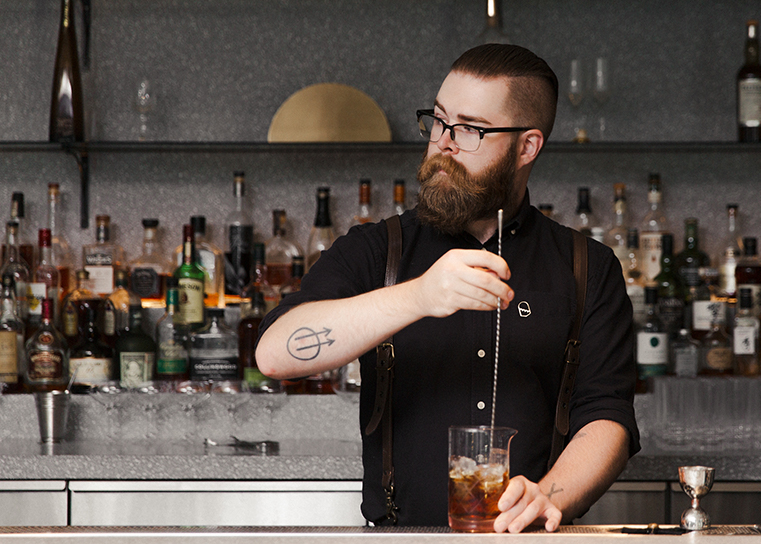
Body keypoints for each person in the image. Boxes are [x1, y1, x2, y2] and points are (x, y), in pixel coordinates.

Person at [256, 43, 638, 532]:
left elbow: (606, 417)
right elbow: (275, 354)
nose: (443, 143)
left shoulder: (588, 267)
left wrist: (548, 495)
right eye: (438, 121)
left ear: (527, 147)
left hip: (533, 541)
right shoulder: (377, 249)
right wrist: (419, 296)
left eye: (470, 129)